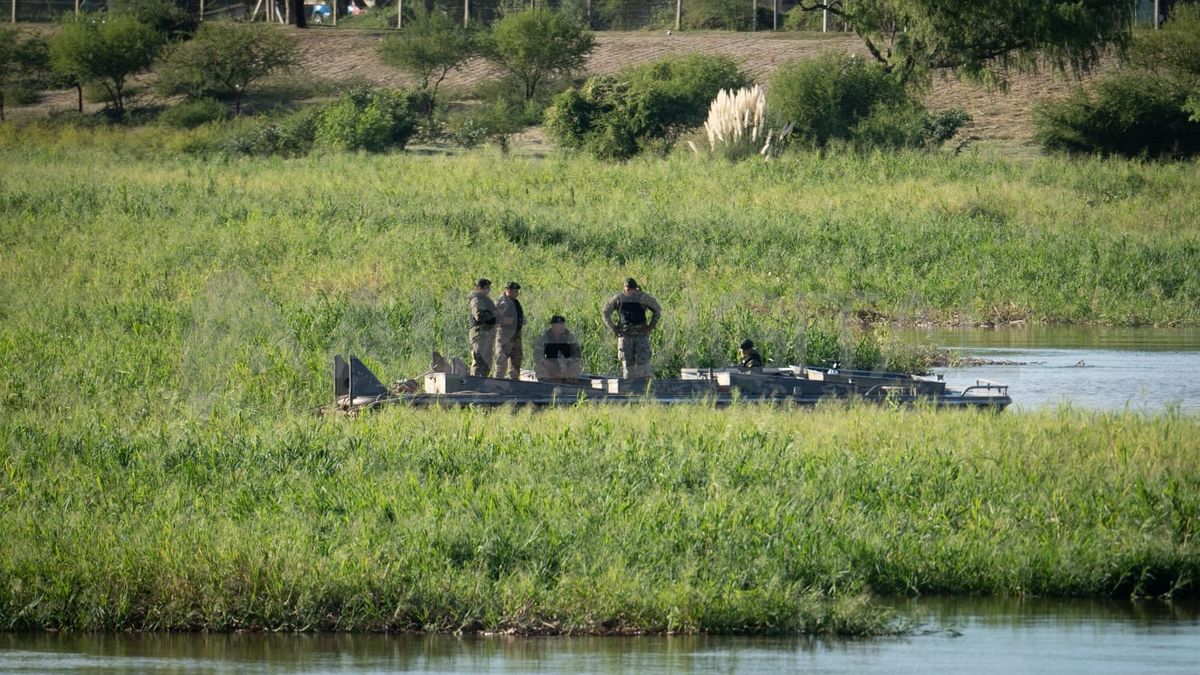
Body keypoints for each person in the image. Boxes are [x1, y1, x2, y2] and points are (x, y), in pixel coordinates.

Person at [601, 277, 662, 379]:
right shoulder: (618, 299)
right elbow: (605, 312)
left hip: (641, 335)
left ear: (636, 289)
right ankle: (628, 391)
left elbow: (657, 309)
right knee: (627, 368)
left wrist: (651, 327)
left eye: (631, 290)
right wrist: (614, 328)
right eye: (627, 290)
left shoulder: (643, 298)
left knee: (644, 367)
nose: (629, 292)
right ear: (624, 288)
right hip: (625, 336)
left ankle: (645, 391)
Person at [535, 315, 583, 383]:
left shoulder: (569, 336)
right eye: (560, 325)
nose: (562, 326)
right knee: (539, 367)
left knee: (576, 367)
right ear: (553, 326)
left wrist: (569, 360)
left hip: (566, 365)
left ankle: (569, 384)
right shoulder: (546, 337)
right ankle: (546, 384)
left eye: (563, 324)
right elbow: (537, 353)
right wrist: (544, 361)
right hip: (551, 364)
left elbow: (576, 353)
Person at [493, 281, 526, 380]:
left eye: (517, 291)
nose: (517, 293)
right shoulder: (501, 302)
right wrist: (504, 321)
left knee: (516, 360)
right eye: (515, 291)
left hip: (516, 335)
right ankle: (498, 383)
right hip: (505, 335)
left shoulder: (516, 302)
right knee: (501, 361)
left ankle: (514, 383)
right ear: (508, 290)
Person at [468, 278, 497, 377]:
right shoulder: (476, 300)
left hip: (488, 335)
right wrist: (495, 313)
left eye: (489, 288)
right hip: (479, 334)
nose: (488, 290)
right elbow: (479, 316)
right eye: (486, 288)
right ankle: (474, 383)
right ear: (479, 288)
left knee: (487, 363)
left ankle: (482, 384)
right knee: (479, 361)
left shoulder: (486, 300)